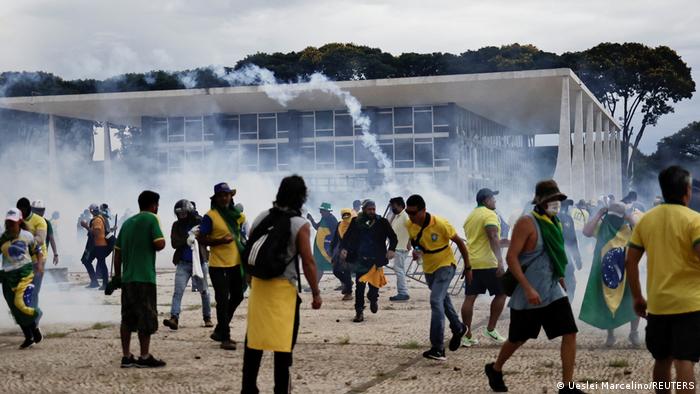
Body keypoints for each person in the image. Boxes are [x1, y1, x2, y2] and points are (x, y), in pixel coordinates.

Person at [484, 180, 582, 394]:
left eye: (558, 199)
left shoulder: (553, 222)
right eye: (552, 199)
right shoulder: (526, 223)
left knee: (570, 332)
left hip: (552, 288)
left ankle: (567, 386)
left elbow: (555, 254)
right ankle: (495, 368)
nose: (556, 203)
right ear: (539, 201)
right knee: (518, 338)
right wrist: (528, 288)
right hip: (529, 293)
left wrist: (562, 279)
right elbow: (512, 258)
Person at [241, 175, 323, 394]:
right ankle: (281, 390)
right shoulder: (300, 224)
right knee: (283, 347)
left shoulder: (261, 217)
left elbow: (250, 252)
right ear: (302, 197)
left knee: (254, 342)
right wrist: (316, 293)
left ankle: (248, 388)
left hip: (259, 287)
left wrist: (250, 282)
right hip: (284, 290)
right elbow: (308, 261)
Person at [626, 166, 700, 393]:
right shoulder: (695, 220)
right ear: (687, 191)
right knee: (684, 360)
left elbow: (630, 262)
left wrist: (638, 296)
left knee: (662, 360)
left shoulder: (646, 221)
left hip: (658, 305)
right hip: (690, 304)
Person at [405, 194, 470, 361]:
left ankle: (437, 348)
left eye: (413, 213)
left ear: (423, 210)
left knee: (435, 300)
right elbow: (415, 242)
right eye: (408, 212)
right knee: (442, 299)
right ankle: (458, 327)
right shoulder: (409, 224)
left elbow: (460, 243)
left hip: (446, 265)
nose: (410, 216)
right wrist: (416, 251)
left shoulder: (441, 224)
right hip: (429, 268)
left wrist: (468, 267)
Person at [112, 190, 166, 368]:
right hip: (145, 278)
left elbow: (117, 253)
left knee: (127, 318)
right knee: (146, 317)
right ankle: (144, 356)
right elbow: (160, 243)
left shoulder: (127, 223)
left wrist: (117, 277)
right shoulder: (152, 219)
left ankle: (126, 356)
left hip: (127, 279)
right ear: (154, 205)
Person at [580, 200, 640, 347]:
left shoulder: (628, 228)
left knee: (633, 301)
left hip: (625, 272)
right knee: (607, 301)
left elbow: (642, 232)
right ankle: (611, 335)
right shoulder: (602, 227)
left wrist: (629, 217)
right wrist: (599, 214)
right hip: (605, 271)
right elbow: (586, 232)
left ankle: (634, 333)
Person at [198, 182, 246, 351]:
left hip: (236, 263)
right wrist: (219, 241)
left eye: (227, 195)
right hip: (218, 265)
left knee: (238, 296)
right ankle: (225, 337)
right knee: (222, 300)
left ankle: (219, 329)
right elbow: (201, 238)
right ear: (216, 198)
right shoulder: (209, 216)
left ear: (231, 197)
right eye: (221, 195)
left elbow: (241, 236)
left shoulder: (238, 216)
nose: (224, 198)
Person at [461, 188, 507, 347]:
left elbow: (483, 239)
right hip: (489, 263)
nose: (495, 201)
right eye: (493, 198)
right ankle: (491, 328)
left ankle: (466, 336)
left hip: (472, 263)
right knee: (502, 293)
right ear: (486, 200)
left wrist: (508, 242)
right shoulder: (489, 214)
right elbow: (492, 236)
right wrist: (500, 261)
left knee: (469, 298)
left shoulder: (470, 216)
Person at [340, 200, 397, 322]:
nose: (372, 211)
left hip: (376, 260)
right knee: (359, 288)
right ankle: (359, 312)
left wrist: (391, 249)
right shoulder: (356, 222)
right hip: (361, 260)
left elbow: (393, 237)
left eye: (373, 209)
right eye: (369, 209)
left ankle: (373, 299)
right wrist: (344, 248)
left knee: (374, 287)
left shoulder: (381, 222)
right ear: (364, 210)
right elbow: (347, 236)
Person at [162, 199, 213, 330]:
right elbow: (174, 243)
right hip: (183, 264)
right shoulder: (176, 225)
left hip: (200, 262)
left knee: (204, 291)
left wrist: (196, 232)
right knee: (177, 292)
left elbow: (206, 235)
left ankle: (207, 317)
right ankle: (174, 318)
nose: (182, 216)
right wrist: (187, 239)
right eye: (179, 214)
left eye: (184, 213)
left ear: (190, 212)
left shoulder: (199, 221)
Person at [0, 208, 44, 349]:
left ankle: (35, 322)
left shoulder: (27, 236)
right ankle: (28, 337)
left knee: (22, 304)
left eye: (13, 222)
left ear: (19, 221)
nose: (10, 225)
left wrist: (40, 265)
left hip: (24, 273)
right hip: (7, 276)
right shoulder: (2, 237)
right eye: (8, 222)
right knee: (14, 308)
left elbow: (38, 250)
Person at [16, 198, 47, 310]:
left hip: (38, 259)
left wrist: (24, 239)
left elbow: (40, 239)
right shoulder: (18, 220)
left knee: (33, 289)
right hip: (23, 260)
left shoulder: (40, 221)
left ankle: (34, 316)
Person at [306, 202, 338, 284]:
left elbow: (336, 235)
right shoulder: (324, 218)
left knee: (322, 266)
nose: (320, 212)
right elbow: (317, 227)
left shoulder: (332, 220)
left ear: (328, 211)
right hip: (321, 247)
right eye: (320, 210)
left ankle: (314, 285)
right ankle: (345, 283)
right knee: (321, 266)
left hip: (326, 248)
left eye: (322, 210)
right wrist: (311, 220)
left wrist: (331, 248)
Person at [558, 200, 583, 302]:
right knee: (570, 284)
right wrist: (578, 260)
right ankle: (567, 305)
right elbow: (572, 241)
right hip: (563, 258)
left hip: (558, 258)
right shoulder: (567, 218)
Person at [388, 197, 412, 302]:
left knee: (399, 270)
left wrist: (409, 242)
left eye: (394, 206)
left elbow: (413, 228)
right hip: (397, 247)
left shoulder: (405, 216)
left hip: (402, 247)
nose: (392, 208)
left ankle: (403, 292)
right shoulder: (397, 216)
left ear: (400, 205)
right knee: (399, 269)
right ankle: (402, 292)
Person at [86, 203, 114, 290]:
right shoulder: (99, 218)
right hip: (97, 245)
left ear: (91, 211)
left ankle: (105, 284)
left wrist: (86, 227)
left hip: (100, 245)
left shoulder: (97, 220)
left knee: (101, 263)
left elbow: (97, 233)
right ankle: (95, 282)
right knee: (87, 261)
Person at [329, 208, 354, 301]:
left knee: (347, 271)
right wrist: (331, 250)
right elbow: (336, 238)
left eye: (348, 215)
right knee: (336, 271)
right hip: (339, 252)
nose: (346, 217)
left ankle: (348, 293)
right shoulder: (340, 225)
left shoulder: (354, 225)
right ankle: (348, 284)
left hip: (351, 252)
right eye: (344, 215)